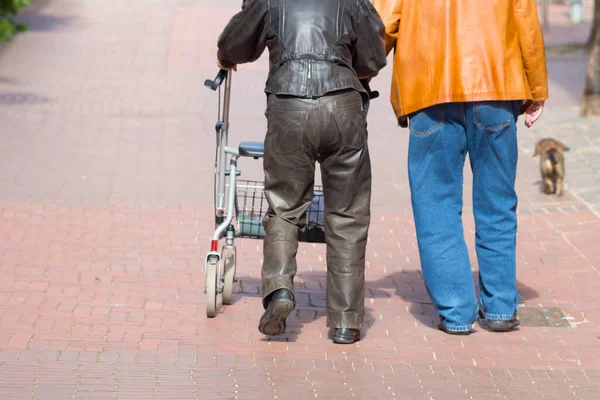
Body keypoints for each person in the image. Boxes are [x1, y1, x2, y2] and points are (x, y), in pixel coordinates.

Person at [372, 0, 548, 334]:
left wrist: (360, 71)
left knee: (435, 202)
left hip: (430, 89)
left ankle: (456, 311)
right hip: (496, 86)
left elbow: (382, 23)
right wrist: (537, 89)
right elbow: (526, 22)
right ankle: (499, 309)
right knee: (497, 200)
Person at [216, 0, 387, 344]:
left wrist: (225, 58)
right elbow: (373, 57)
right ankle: (345, 321)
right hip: (342, 103)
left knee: (284, 207)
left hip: (288, 103)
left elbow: (235, 43)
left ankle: (279, 289)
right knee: (347, 214)